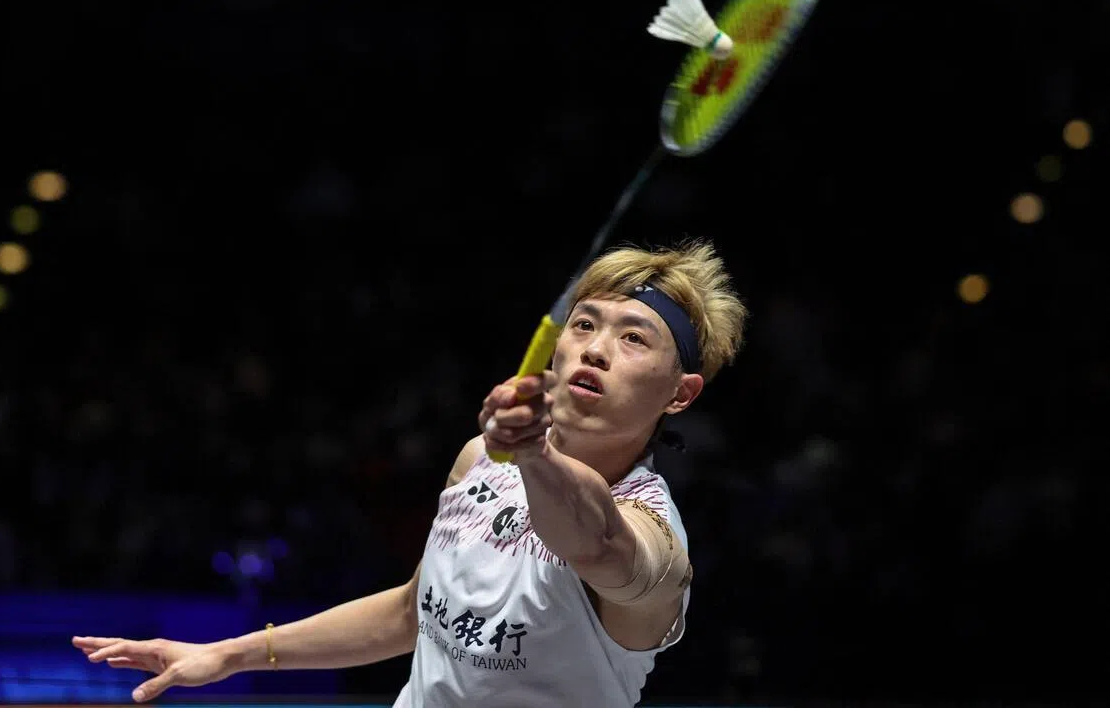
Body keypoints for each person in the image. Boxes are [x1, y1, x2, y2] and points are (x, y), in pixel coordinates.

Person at [73, 239, 747, 707]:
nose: (596, 348)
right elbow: (412, 611)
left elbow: (596, 543)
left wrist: (538, 452)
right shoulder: (481, 458)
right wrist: (229, 655)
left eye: (634, 337)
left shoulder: (656, 540)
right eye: (585, 324)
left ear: (681, 393)